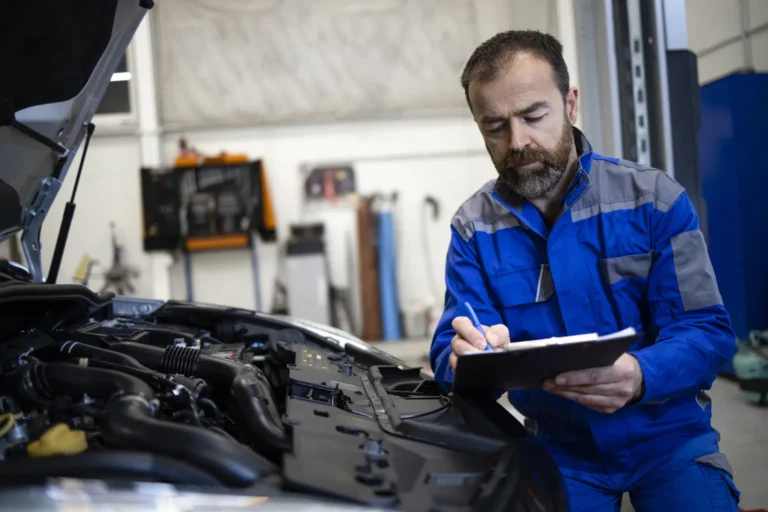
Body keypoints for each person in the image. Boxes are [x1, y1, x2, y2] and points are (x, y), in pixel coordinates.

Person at [429, 30, 740, 512]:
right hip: (559, 450)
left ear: (570, 104)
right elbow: (452, 346)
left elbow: (708, 331)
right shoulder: (473, 229)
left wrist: (640, 374)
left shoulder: (653, 200)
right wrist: (464, 357)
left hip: (669, 438)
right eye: (495, 127)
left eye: (534, 116)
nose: (518, 142)